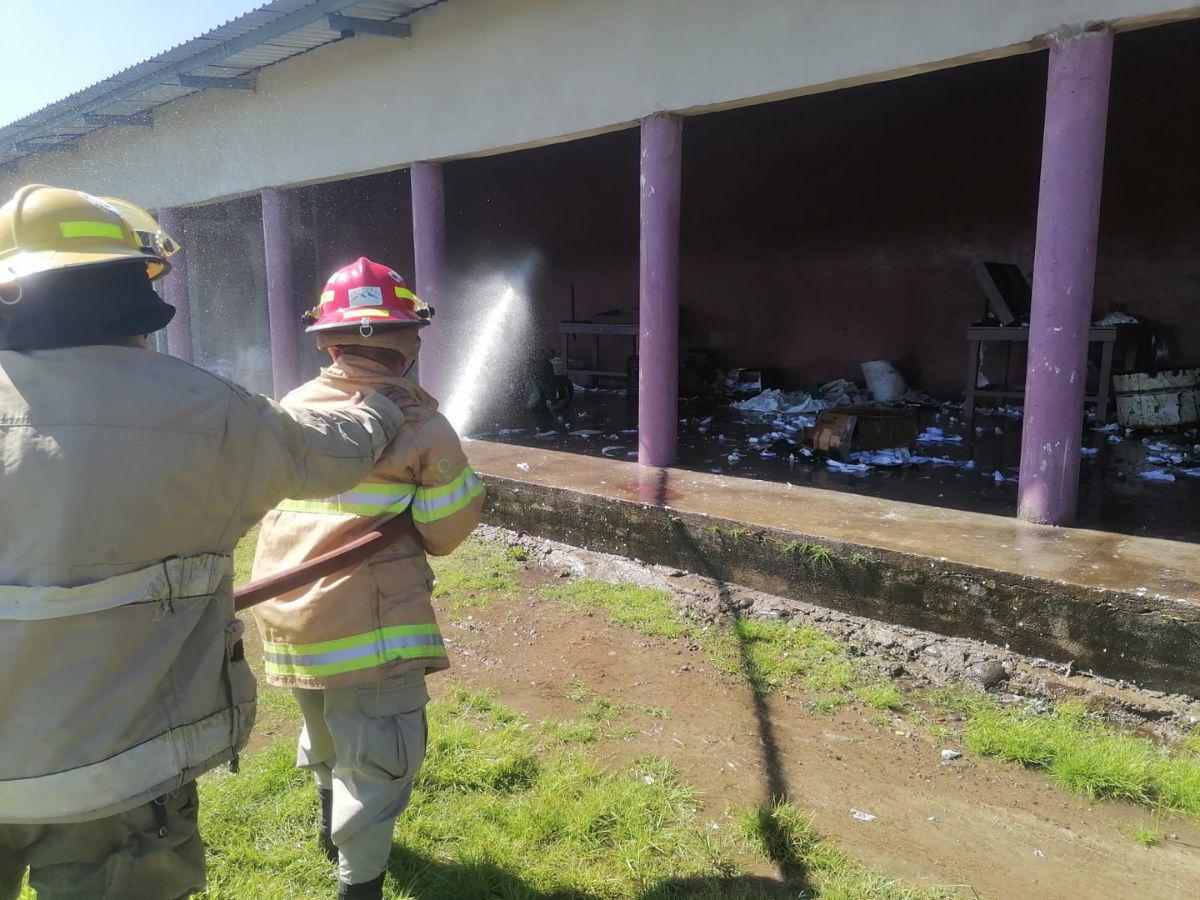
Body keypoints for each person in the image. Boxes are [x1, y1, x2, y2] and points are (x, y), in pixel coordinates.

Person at [0, 185, 413, 900]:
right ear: (132, 293)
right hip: (117, 781)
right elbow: (330, 452)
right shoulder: (204, 412)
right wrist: (380, 404)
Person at [249, 257, 484, 899]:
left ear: (327, 341)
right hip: (369, 624)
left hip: (290, 615)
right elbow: (444, 531)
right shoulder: (423, 428)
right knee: (378, 758)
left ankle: (329, 827)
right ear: (406, 342)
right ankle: (360, 884)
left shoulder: (291, 408)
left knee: (324, 725)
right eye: (415, 333)